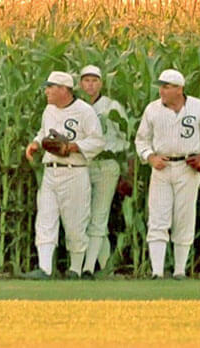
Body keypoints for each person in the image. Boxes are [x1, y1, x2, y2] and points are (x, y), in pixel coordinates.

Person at [135, 69, 200, 279]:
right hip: (161, 167)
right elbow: (141, 139)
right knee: (158, 217)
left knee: (184, 217)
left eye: (166, 86)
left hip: (187, 167)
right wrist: (149, 157)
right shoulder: (152, 109)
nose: (161, 90)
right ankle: (157, 272)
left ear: (179, 89)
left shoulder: (198, 107)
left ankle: (180, 271)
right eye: (161, 86)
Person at [23, 71, 105, 280]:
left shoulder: (84, 111)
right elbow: (44, 133)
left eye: (51, 87)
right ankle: (45, 268)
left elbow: (97, 141)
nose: (47, 91)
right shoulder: (49, 110)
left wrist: (73, 146)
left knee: (76, 222)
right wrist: (35, 143)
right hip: (51, 170)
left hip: (74, 171)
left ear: (63, 89)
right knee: (45, 219)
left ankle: (76, 269)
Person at [78, 65, 130, 279]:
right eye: (86, 80)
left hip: (107, 164)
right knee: (89, 216)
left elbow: (125, 136)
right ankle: (105, 267)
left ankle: (88, 268)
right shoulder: (77, 107)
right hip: (84, 164)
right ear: (80, 84)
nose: (90, 84)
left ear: (101, 83)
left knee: (99, 215)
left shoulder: (111, 106)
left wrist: (126, 167)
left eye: (95, 80)